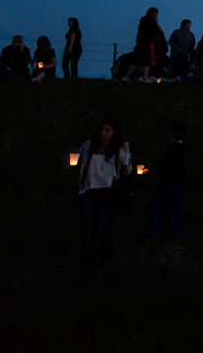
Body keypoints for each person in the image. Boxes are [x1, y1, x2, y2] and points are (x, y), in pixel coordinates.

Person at [75, 116, 131, 281]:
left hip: (108, 192)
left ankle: (106, 256)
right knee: (88, 232)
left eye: (107, 131)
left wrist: (127, 165)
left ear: (114, 133)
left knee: (102, 231)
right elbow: (73, 159)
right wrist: (70, 156)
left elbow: (126, 172)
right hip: (88, 191)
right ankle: (88, 270)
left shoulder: (120, 148)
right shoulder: (89, 145)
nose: (103, 134)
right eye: (101, 130)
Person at [145, 122, 186, 237]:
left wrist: (154, 168)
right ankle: (165, 231)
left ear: (171, 133)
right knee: (164, 207)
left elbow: (168, 164)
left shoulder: (176, 148)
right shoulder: (178, 148)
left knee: (165, 207)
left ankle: (167, 231)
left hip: (170, 183)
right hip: (170, 183)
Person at [124, 8, 166, 83]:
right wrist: (158, 31)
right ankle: (145, 78)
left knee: (135, 62)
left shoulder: (143, 21)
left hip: (140, 45)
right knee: (147, 62)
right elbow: (153, 35)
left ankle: (127, 77)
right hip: (148, 45)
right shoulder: (152, 23)